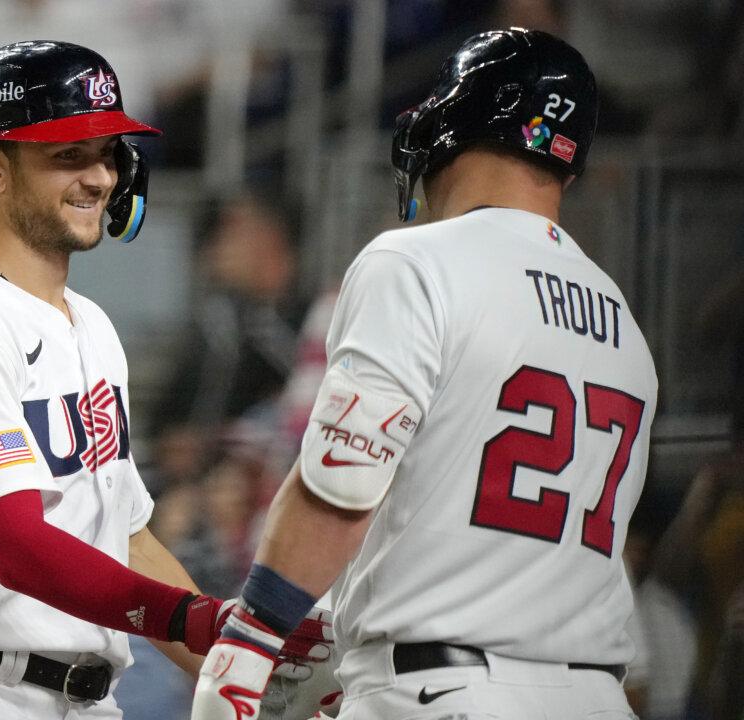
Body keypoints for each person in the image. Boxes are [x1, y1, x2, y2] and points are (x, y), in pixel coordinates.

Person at [190, 28, 658, 720]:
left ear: (457, 123)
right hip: (595, 695)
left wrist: (250, 641)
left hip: (443, 691)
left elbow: (341, 486)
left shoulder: (416, 261)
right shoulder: (624, 319)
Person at [0, 41, 321, 719]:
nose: (101, 177)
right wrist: (188, 616)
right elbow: (19, 548)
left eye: (108, 153)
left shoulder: (94, 328)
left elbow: (128, 538)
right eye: (67, 156)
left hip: (88, 699)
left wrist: (248, 675)